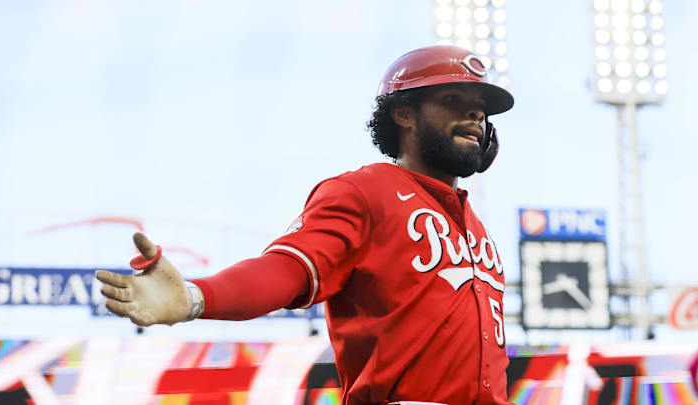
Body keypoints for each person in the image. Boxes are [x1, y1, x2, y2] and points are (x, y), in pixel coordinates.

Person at [96, 45, 515, 405]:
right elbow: (287, 269)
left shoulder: (472, 224)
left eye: (479, 108)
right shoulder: (365, 191)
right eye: (453, 99)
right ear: (403, 114)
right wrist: (197, 296)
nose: (475, 113)